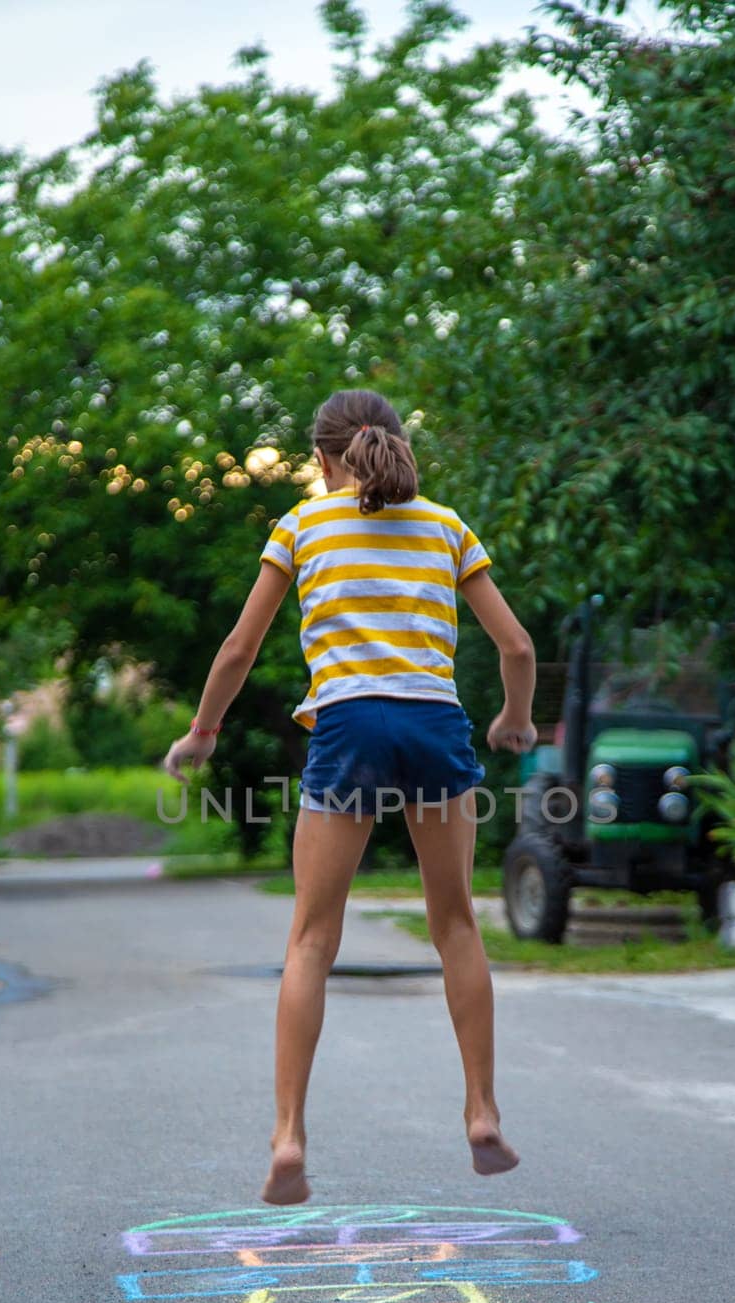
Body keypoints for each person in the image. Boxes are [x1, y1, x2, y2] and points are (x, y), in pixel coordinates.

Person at [164, 389, 537, 1205]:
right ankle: (480, 1111)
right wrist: (515, 718)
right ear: (399, 446)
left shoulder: (301, 528)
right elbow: (514, 644)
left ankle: (289, 1136)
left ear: (324, 459)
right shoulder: (446, 528)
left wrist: (203, 731)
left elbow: (239, 647)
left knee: (310, 940)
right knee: (456, 924)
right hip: (433, 721)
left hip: (348, 725)